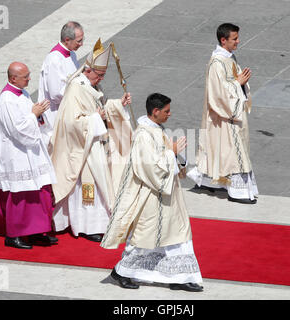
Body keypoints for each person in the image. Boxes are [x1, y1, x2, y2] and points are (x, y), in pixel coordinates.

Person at [101, 93, 203, 292]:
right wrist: (171, 152)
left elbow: (165, 157)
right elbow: (148, 167)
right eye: (166, 111)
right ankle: (121, 271)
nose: (169, 114)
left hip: (167, 194)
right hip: (150, 194)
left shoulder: (157, 129)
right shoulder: (143, 135)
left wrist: (177, 155)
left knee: (176, 233)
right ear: (155, 112)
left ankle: (179, 276)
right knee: (145, 236)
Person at [50, 38, 133, 242]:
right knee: (89, 185)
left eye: (103, 75)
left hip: (94, 142)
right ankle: (87, 226)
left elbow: (100, 108)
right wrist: (96, 119)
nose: (101, 79)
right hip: (82, 146)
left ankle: (94, 223)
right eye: (100, 75)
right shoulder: (76, 88)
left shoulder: (90, 85)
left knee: (98, 182)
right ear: (88, 71)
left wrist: (118, 105)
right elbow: (71, 122)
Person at [0, 62, 58, 249]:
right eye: (25, 76)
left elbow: (27, 118)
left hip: (29, 151)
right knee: (21, 194)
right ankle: (14, 234)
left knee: (38, 190)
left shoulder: (22, 93)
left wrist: (38, 112)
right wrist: (34, 114)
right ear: (13, 78)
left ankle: (36, 230)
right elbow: (16, 130)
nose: (29, 79)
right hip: (16, 154)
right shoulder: (7, 100)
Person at [187, 23, 259, 204]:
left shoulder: (229, 57)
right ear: (223, 40)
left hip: (230, 113)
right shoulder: (216, 64)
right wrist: (238, 83)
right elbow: (218, 94)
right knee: (233, 153)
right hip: (223, 116)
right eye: (234, 39)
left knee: (220, 150)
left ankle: (209, 181)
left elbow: (232, 83)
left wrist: (241, 83)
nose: (238, 41)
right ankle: (238, 192)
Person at [38, 21, 84, 145]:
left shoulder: (72, 54)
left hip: (69, 110)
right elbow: (55, 94)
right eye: (79, 41)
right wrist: (81, 92)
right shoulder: (54, 59)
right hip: (56, 114)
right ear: (67, 40)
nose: (82, 44)